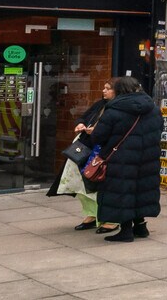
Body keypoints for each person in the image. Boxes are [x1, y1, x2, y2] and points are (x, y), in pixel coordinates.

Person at [83, 75, 161, 243]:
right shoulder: (153, 108)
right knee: (141, 189)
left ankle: (125, 231)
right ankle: (140, 226)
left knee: (122, 192)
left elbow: (98, 137)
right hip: (148, 158)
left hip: (120, 159)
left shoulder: (114, 110)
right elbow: (158, 131)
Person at [52, 83, 115, 234]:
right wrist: (81, 124)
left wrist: (97, 130)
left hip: (101, 151)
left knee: (96, 182)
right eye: (103, 87)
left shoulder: (117, 108)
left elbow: (115, 130)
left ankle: (108, 219)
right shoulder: (100, 104)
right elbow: (84, 117)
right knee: (80, 183)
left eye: (108, 88)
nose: (103, 90)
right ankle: (91, 214)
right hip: (84, 147)